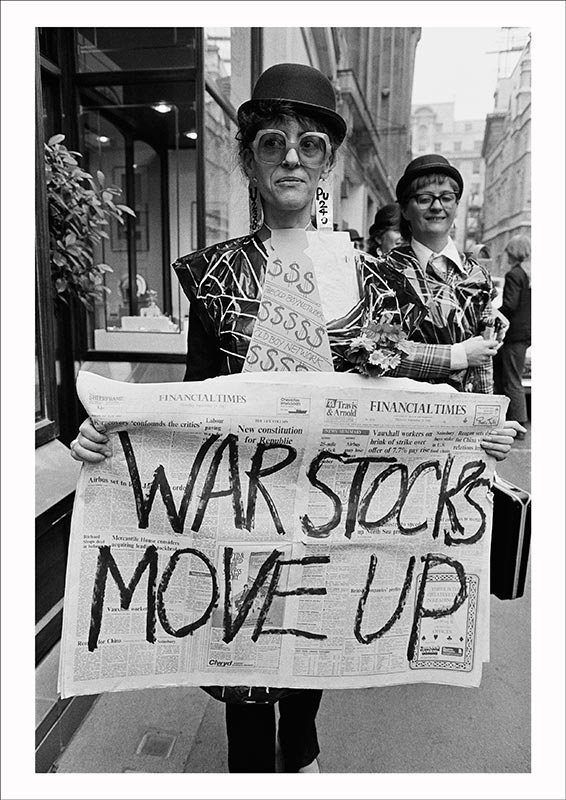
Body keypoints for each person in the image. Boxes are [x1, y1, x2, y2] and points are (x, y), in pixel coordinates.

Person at [69, 65, 523, 773]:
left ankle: (303, 752)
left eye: (309, 145)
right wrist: (112, 433)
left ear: (327, 164)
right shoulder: (213, 276)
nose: (290, 157)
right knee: (245, 681)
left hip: (335, 511)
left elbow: (397, 385)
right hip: (238, 510)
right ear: (249, 159)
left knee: (315, 642)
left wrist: (474, 429)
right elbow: (192, 393)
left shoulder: (371, 277)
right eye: (273, 142)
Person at [385, 153, 509, 395]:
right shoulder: (385, 270)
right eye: (424, 198)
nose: (437, 206)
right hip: (403, 414)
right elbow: (380, 353)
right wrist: (459, 355)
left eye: (446, 198)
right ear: (405, 211)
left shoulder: (476, 275)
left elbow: (483, 359)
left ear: (456, 205)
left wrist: (486, 417)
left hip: (461, 418)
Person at [493, 235, 531, 435]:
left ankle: (518, 423)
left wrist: (494, 313)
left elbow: (510, 304)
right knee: (502, 374)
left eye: (507, 251)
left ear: (514, 252)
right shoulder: (526, 274)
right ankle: (506, 418)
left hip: (513, 335)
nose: (505, 255)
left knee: (512, 379)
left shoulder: (514, 275)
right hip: (522, 334)